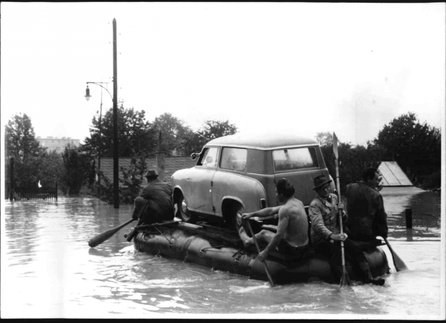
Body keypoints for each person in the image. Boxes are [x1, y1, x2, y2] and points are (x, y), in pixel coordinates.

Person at [309, 174, 385, 285]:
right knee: (336, 253)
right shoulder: (315, 205)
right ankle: (342, 281)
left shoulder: (334, 198)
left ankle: (368, 278)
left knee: (355, 248)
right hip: (322, 240)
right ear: (317, 191)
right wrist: (332, 236)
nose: (325, 190)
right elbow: (318, 226)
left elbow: (343, 219)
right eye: (321, 188)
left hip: (337, 236)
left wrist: (342, 212)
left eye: (326, 187)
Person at [241, 178, 311, 262]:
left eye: (276, 192)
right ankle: (250, 240)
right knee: (272, 228)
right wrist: (252, 214)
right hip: (305, 246)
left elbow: (279, 236)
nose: (276, 195)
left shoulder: (285, 210)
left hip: (293, 250)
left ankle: (247, 241)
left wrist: (265, 252)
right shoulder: (299, 203)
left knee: (264, 233)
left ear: (281, 194)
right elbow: (271, 210)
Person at [344, 168, 388, 242]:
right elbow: (381, 217)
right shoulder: (376, 195)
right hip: (367, 232)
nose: (377, 182)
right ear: (369, 179)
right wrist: (384, 233)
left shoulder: (349, 187)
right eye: (376, 180)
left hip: (349, 230)